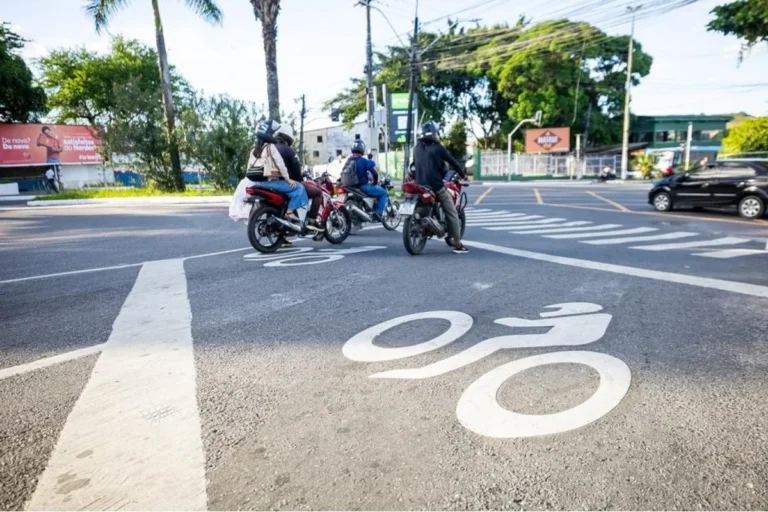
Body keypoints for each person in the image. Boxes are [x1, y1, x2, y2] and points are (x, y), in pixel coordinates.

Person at [412, 121, 469, 254]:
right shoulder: (439, 148)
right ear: (434, 133)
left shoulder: (417, 148)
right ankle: (457, 243)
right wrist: (463, 175)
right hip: (435, 186)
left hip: (418, 184)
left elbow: (415, 165)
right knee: (452, 212)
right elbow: (453, 162)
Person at [251, 121, 308, 228]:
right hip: (271, 183)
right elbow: (282, 166)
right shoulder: (282, 149)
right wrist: (290, 179)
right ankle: (290, 212)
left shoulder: (258, 148)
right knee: (299, 188)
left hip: (256, 182)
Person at [272, 126, 323, 233]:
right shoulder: (288, 150)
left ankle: (283, 237)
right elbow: (296, 167)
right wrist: (299, 179)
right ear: (288, 137)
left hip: (271, 184)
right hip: (287, 184)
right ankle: (312, 222)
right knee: (318, 193)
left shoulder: (269, 148)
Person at [351, 140, 388, 221]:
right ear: (362, 149)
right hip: (363, 187)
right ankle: (378, 213)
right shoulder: (363, 161)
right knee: (383, 193)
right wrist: (374, 183)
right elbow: (374, 173)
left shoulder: (349, 160)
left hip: (350, 187)